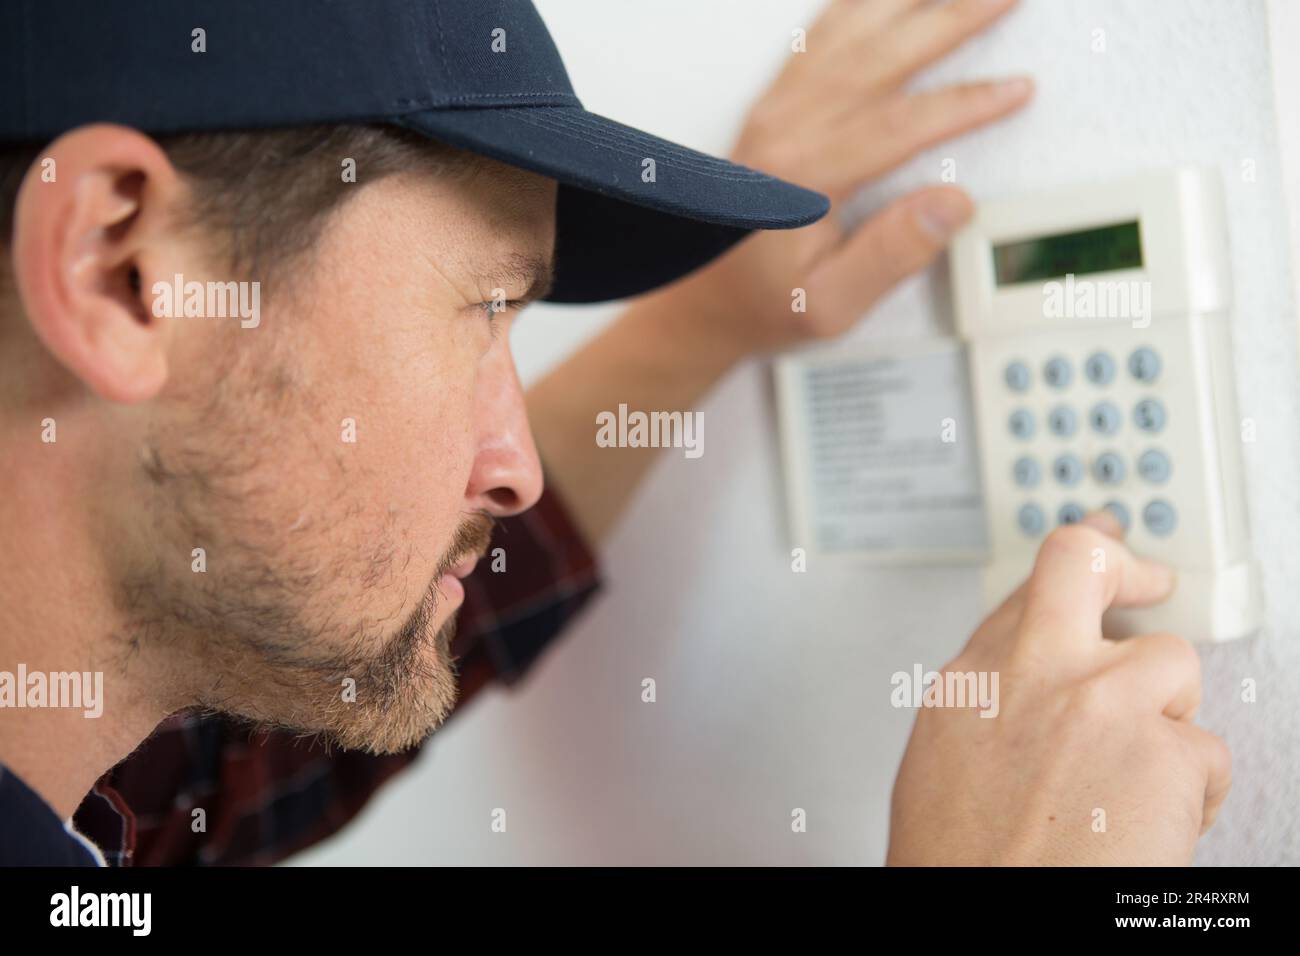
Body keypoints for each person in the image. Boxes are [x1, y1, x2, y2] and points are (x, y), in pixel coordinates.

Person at [0, 0, 1227, 866]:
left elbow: (228, 775)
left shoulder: (86, 791)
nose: (513, 469)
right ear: (122, 269)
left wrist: (711, 319)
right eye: (484, 304)